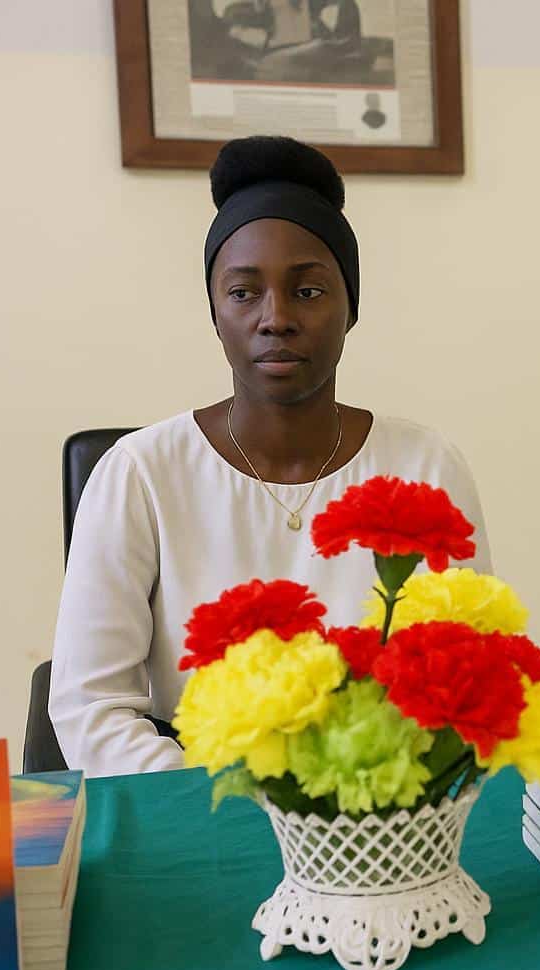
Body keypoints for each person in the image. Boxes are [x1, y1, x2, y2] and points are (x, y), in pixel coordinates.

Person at [50, 136, 491, 778]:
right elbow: (92, 707)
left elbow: (470, 673)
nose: (275, 318)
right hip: (198, 800)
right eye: (243, 293)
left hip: (386, 801)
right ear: (214, 310)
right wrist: (220, 804)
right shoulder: (139, 474)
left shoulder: (426, 465)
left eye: (308, 292)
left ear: (350, 307)